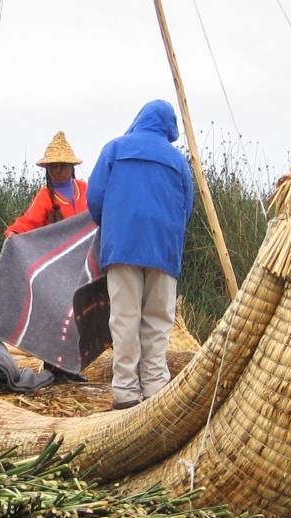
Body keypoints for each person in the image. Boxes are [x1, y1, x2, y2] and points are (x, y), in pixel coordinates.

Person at [86, 100, 194, 410]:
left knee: (124, 318)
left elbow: (95, 198)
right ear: (169, 127)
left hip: (123, 246)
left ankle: (125, 392)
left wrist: (112, 226)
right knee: (158, 321)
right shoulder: (177, 160)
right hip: (164, 249)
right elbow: (186, 207)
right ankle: (156, 387)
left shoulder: (115, 149)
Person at [4, 131, 89, 236]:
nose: (58, 171)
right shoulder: (45, 195)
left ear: (71, 167)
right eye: (54, 166)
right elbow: (29, 222)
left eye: (63, 166)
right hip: (61, 250)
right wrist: (14, 232)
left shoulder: (85, 189)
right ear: (47, 169)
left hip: (90, 250)